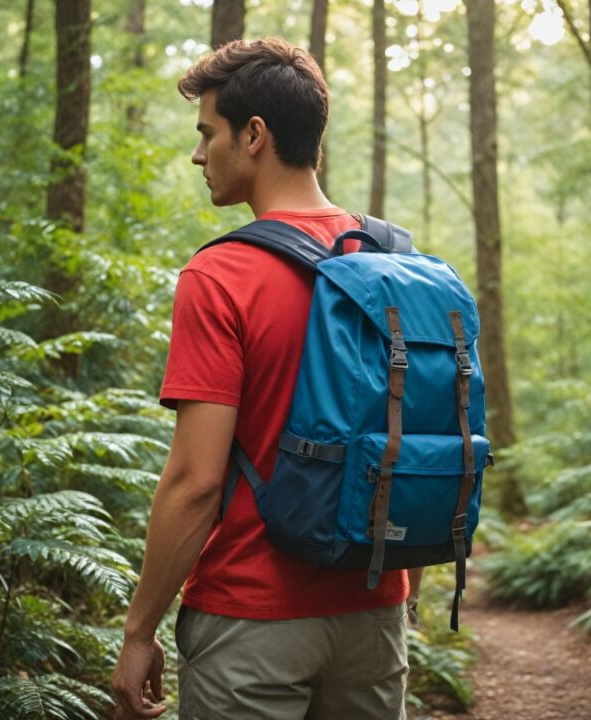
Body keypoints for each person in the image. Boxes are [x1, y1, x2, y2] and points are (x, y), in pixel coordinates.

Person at [111, 37, 422, 720]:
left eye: (206, 133)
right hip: (375, 613)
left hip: (250, 618)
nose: (198, 155)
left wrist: (139, 633)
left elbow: (196, 484)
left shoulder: (220, 274)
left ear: (254, 135)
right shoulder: (396, 262)